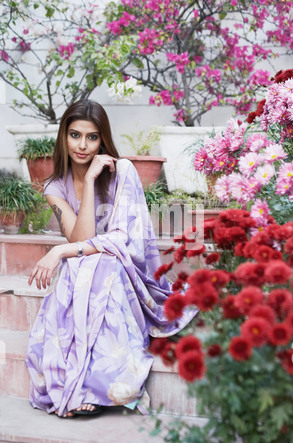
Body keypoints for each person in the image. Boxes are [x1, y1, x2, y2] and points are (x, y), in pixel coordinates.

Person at [25, 100, 196, 418]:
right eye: (75, 135)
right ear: (64, 136)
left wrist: (60, 250)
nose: (82, 145)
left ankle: (100, 386)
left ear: (102, 140)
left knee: (105, 263)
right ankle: (78, 383)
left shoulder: (123, 171)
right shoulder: (55, 187)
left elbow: (123, 241)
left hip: (127, 272)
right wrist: (88, 182)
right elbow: (81, 239)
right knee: (89, 267)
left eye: (92, 137)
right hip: (85, 269)